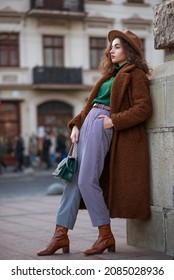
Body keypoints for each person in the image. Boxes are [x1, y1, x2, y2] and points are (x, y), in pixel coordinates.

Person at [37, 30, 153, 256]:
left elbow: (144, 108)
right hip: (87, 126)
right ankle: (60, 235)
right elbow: (89, 105)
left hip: (103, 125)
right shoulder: (108, 76)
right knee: (72, 180)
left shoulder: (135, 74)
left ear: (129, 51)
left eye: (117, 46)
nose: (111, 49)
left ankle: (105, 234)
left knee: (87, 179)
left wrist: (113, 121)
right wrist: (76, 125)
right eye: (111, 46)